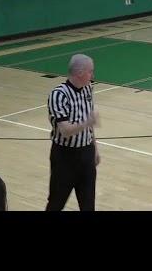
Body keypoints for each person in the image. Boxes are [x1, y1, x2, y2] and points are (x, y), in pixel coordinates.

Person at [46, 54, 100, 211]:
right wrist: (88, 122)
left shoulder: (88, 89)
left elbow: (89, 123)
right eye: (91, 71)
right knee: (56, 202)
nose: (93, 75)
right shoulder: (59, 94)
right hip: (65, 158)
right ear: (80, 73)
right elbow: (65, 130)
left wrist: (95, 147)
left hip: (86, 153)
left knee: (88, 204)